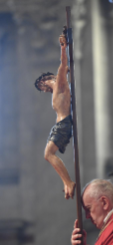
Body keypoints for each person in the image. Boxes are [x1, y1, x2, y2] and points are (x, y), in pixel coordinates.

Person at [34, 32, 75, 199]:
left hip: (63, 123)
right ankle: (67, 182)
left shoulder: (59, 82)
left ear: (44, 81)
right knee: (48, 155)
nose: (44, 91)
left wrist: (63, 47)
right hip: (61, 124)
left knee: (48, 154)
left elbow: (63, 64)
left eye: (42, 88)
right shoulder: (59, 86)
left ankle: (68, 182)